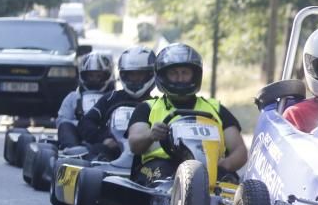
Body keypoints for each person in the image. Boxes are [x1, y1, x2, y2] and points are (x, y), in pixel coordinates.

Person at [127, 43, 248, 182]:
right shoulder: (147, 107)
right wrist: (151, 135)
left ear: (195, 75)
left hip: (209, 168)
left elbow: (240, 150)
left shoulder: (216, 109)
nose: (180, 78)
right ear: (163, 76)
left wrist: (225, 164)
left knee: (228, 182)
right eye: (174, 73)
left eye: (185, 73)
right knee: (166, 178)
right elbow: (134, 144)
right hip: (160, 166)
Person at [76, 46, 156, 160]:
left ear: (150, 75)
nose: (134, 79)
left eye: (139, 74)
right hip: (111, 154)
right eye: (130, 74)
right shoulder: (111, 98)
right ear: (123, 75)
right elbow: (86, 122)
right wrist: (104, 139)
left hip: (145, 154)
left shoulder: (157, 104)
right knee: (94, 153)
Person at [56, 52, 114, 149]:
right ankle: (71, 153)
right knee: (65, 125)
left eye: (98, 76)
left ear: (107, 76)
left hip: (104, 139)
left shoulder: (114, 97)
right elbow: (62, 121)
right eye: (90, 76)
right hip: (77, 139)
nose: (94, 79)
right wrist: (84, 126)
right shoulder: (73, 97)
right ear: (83, 76)